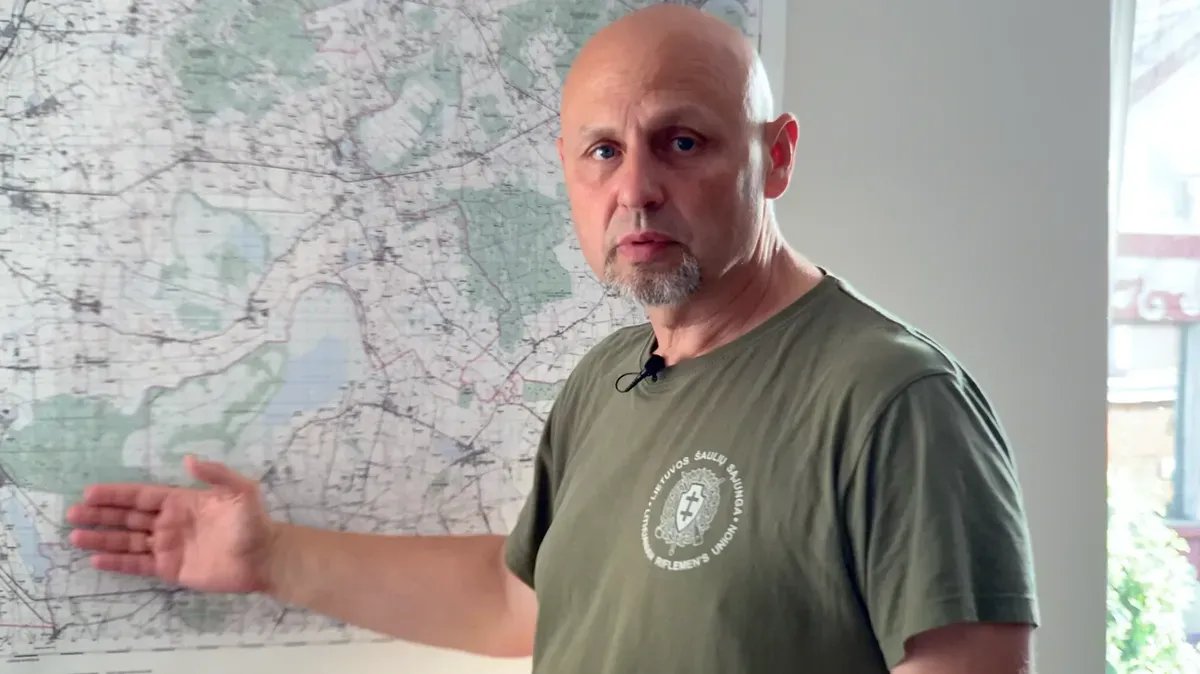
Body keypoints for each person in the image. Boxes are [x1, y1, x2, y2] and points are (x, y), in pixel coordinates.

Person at [66, 4, 1039, 673]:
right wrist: (270, 555)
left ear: (774, 156)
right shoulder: (607, 379)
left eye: (682, 142)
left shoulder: (896, 401)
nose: (636, 188)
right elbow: (519, 601)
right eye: (604, 150)